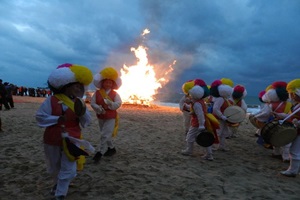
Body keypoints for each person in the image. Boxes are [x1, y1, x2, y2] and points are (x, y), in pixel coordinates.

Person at [36, 63, 93, 200]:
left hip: (72, 139)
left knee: (70, 169)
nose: (79, 88)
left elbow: (87, 122)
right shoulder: (51, 100)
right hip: (52, 138)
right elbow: (40, 118)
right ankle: (57, 184)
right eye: (76, 85)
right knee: (55, 166)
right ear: (66, 85)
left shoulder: (79, 102)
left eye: (80, 85)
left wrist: (82, 113)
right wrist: (57, 119)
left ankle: (60, 193)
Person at [181, 79, 219, 161]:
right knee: (205, 138)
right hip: (204, 122)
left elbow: (200, 114)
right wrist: (189, 105)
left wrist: (201, 125)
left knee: (190, 137)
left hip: (197, 123)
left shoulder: (197, 103)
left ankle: (189, 150)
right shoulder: (200, 101)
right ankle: (209, 155)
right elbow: (197, 110)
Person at [91, 67, 122, 164]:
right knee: (106, 134)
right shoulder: (97, 93)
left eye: (110, 83)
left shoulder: (115, 94)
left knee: (104, 135)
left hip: (111, 116)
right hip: (100, 116)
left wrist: (111, 104)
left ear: (113, 84)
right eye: (106, 82)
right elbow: (92, 103)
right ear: (102, 83)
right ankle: (112, 149)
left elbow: (119, 103)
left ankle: (99, 153)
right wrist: (98, 108)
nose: (108, 84)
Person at [263, 81, 292, 162]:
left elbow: (266, 114)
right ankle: (285, 157)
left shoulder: (272, 105)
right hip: (287, 123)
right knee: (287, 141)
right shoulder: (290, 104)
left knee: (275, 138)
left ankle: (276, 153)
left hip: (275, 123)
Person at [279, 79, 300, 177]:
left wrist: (298, 123)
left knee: (294, 151)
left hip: (298, 131)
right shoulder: (297, 105)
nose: (290, 95)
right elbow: (290, 116)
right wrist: (280, 115)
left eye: (291, 93)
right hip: (296, 130)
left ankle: (293, 171)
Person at [210, 79, 234, 151]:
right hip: (219, 118)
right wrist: (222, 116)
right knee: (218, 132)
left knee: (224, 133)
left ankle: (222, 146)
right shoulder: (220, 99)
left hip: (223, 119)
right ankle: (214, 146)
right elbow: (215, 109)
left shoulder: (224, 99)